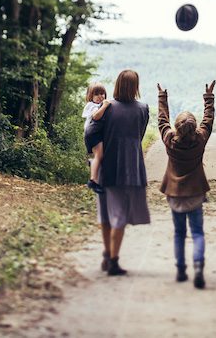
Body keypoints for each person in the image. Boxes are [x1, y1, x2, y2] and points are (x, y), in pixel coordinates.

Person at [87, 69, 151, 276]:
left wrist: (97, 151)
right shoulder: (142, 109)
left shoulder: (106, 107)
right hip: (130, 167)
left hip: (106, 165)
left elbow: (90, 130)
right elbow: (139, 136)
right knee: (120, 215)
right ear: (136, 87)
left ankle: (107, 255)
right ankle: (114, 259)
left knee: (105, 214)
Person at [157, 80, 216, 289]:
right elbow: (208, 120)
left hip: (174, 194)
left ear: (177, 127)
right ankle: (198, 266)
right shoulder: (200, 139)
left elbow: (162, 121)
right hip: (196, 194)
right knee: (198, 232)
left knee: (179, 233)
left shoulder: (169, 140)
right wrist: (208, 98)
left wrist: (162, 98)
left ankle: (181, 269)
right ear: (194, 126)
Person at [82, 83, 110, 194]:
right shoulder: (91, 105)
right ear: (90, 96)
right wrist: (104, 106)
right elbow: (96, 116)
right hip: (92, 133)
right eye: (96, 94)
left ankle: (92, 162)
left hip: (95, 133)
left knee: (99, 155)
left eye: (102, 93)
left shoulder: (99, 104)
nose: (100, 96)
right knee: (99, 155)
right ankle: (93, 181)